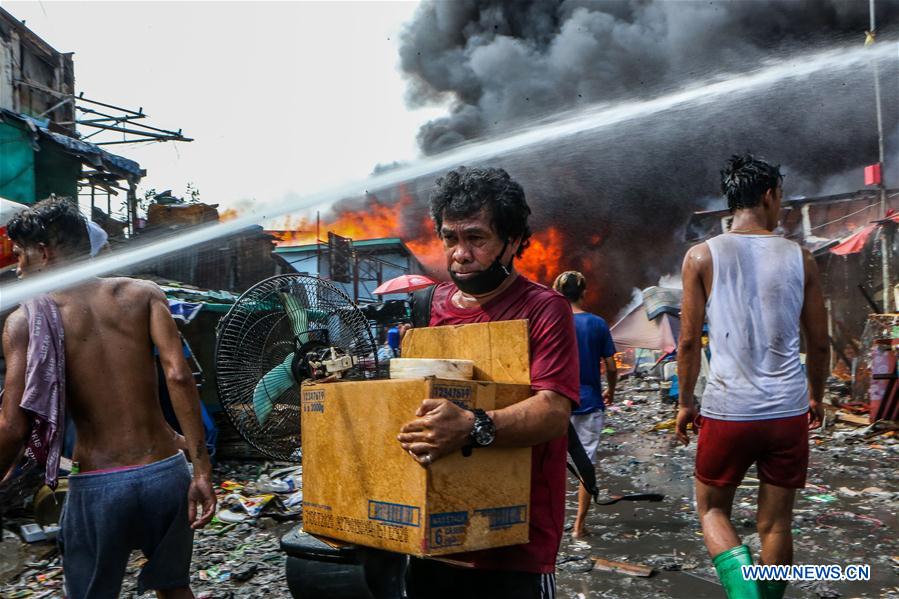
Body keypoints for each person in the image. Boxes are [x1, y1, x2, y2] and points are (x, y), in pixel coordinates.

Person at [0, 198, 217, 599]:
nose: (18, 267)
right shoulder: (144, 294)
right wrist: (201, 471)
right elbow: (179, 375)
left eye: (21, 255)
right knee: (174, 589)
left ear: (44, 253)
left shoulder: (25, 321)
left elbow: (13, 426)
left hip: (100, 484)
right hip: (166, 473)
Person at [397, 167, 579, 599]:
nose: (460, 254)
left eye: (476, 238)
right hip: (432, 540)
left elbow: (553, 411)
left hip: (514, 545)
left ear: (513, 240)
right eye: (450, 238)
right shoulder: (425, 306)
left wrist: (470, 425)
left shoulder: (544, 309)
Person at [676, 155, 828, 599]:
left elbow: (688, 342)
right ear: (768, 195)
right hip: (787, 411)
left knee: (711, 511)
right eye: (780, 197)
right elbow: (820, 343)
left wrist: (685, 403)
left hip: (728, 410)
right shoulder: (802, 258)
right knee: (776, 524)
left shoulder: (701, 256)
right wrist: (816, 396)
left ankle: (744, 594)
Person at [552, 270, 617, 538]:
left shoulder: (551, 321)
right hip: (589, 403)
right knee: (585, 464)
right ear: (584, 293)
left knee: (552, 464)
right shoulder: (597, 324)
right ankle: (579, 526)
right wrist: (611, 390)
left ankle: (552, 523)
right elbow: (611, 366)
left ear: (557, 293)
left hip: (555, 402)